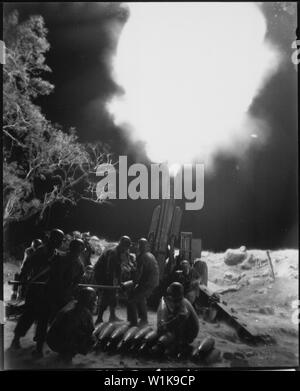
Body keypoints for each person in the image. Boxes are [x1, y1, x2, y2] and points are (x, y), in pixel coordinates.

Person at [10, 229, 65, 357]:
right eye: (58, 239)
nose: (60, 242)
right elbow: (26, 266)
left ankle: (39, 347)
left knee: (44, 320)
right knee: (29, 316)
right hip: (35, 290)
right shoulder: (41, 251)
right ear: (52, 239)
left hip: (47, 291)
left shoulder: (55, 254)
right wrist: (23, 282)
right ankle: (15, 340)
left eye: (61, 240)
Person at [46, 287, 97, 364]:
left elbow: (91, 328)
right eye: (92, 301)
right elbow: (66, 332)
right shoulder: (71, 313)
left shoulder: (81, 307)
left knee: (90, 338)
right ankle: (66, 356)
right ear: (87, 300)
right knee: (79, 338)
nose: (94, 304)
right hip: (55, 340)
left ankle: (65, 353)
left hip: (60, 336)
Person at [94, 236, 132, 324]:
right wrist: (115, 283)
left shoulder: (124, 251)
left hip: (113, 272)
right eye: (125, 246)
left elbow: (125, 264)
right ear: (121, 244)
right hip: (102, 273)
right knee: (107, 294)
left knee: (114, 294)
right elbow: (110, 271)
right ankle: (99, 318)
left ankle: (112, 315)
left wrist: (119, 280)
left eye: (127, 247)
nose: (126, 249)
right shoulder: (113, 253)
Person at [46, 239, 85, 320]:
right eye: (77, 250)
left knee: (60, 319)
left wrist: (70, 292)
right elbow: (51, 274)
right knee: (46, 318)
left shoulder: (79, 265)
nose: (78, 252)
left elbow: (77, 281)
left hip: (65, 295)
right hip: (52, 292)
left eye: (79, 250)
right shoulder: (59, 258)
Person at [124, 238, 159, 327]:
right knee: (140, 298)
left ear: (140, 246)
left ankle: (135, 322)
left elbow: (138, 275)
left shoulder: (142, 257)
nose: (138, 247)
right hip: (151, 282)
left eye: (139, 245)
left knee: (131, 300)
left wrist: (131, 284)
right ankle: (143, 319)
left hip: (148, 283)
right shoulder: (150, 255)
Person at [157, 282, 199, 350]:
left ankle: (179, 343)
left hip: (189, 334)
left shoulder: (183, 304)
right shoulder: (181, 301)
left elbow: (182, 318)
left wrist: (166, 326)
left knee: (169, 331)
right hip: (188, 330)